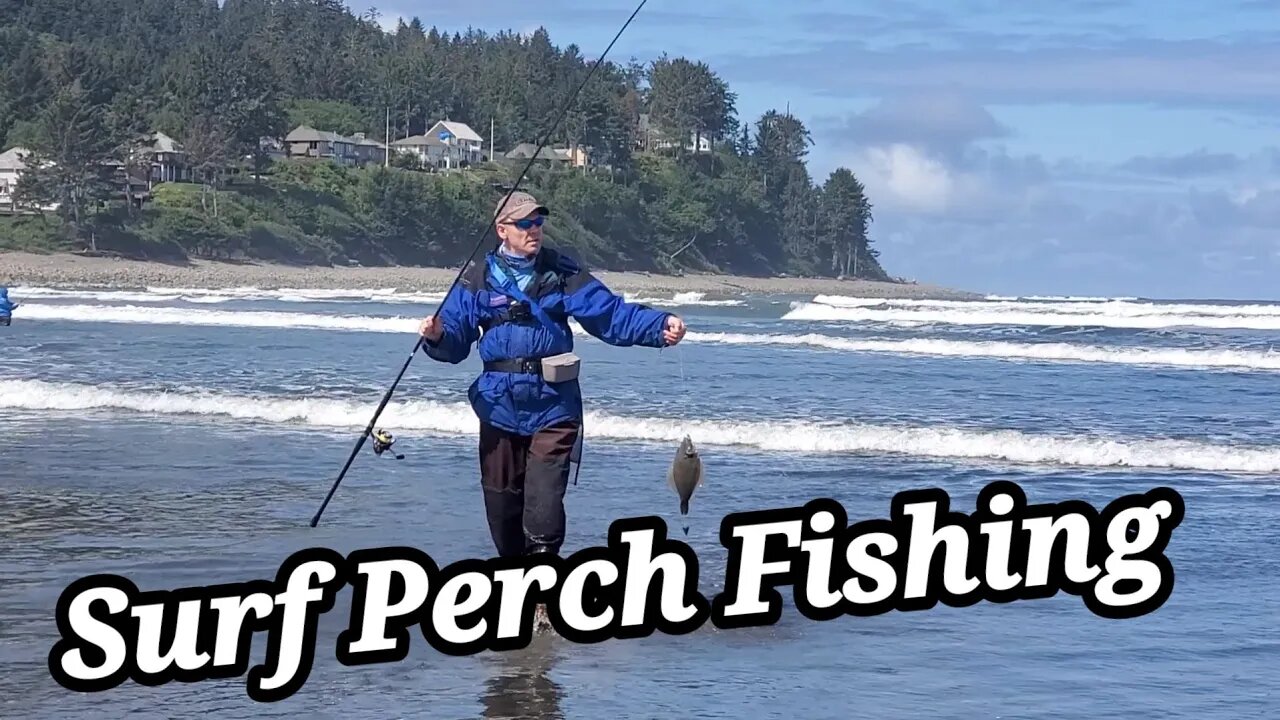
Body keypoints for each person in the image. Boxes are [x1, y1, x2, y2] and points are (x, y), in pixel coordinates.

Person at [418, 191, 686, 561]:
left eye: (538, 222)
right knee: (502, 511)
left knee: (543, 507)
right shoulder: (476, 279)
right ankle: (514, 585)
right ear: (502, 230)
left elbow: (610, 315)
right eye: (525, 223)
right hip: (497, 406)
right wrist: (437, 336)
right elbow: (455, 339)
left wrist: (659, 326)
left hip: (554, 406)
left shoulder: (563, 272)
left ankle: (544, 594)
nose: (535, 230)